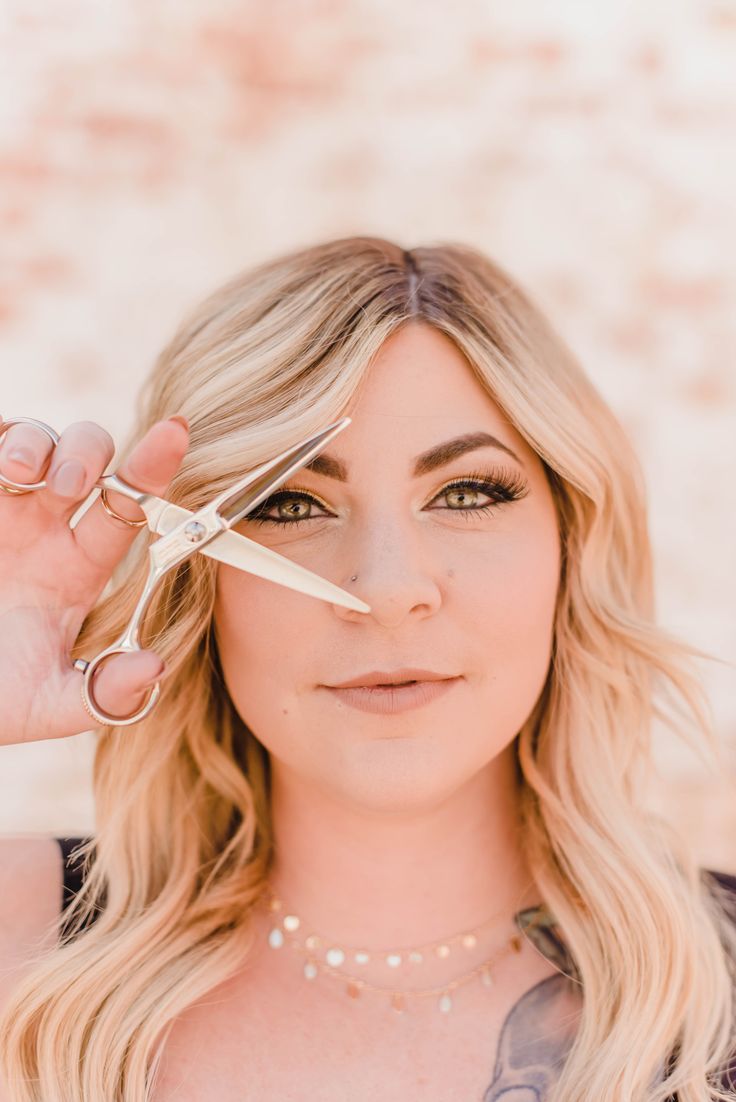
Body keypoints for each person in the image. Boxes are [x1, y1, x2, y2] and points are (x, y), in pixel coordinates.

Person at [0, 237, 734, 1102]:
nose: (385, 590)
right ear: (196, 575)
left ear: (570, 551)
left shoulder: (714, 984)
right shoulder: (23, 939)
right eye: (290, 503)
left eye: (466, 493)